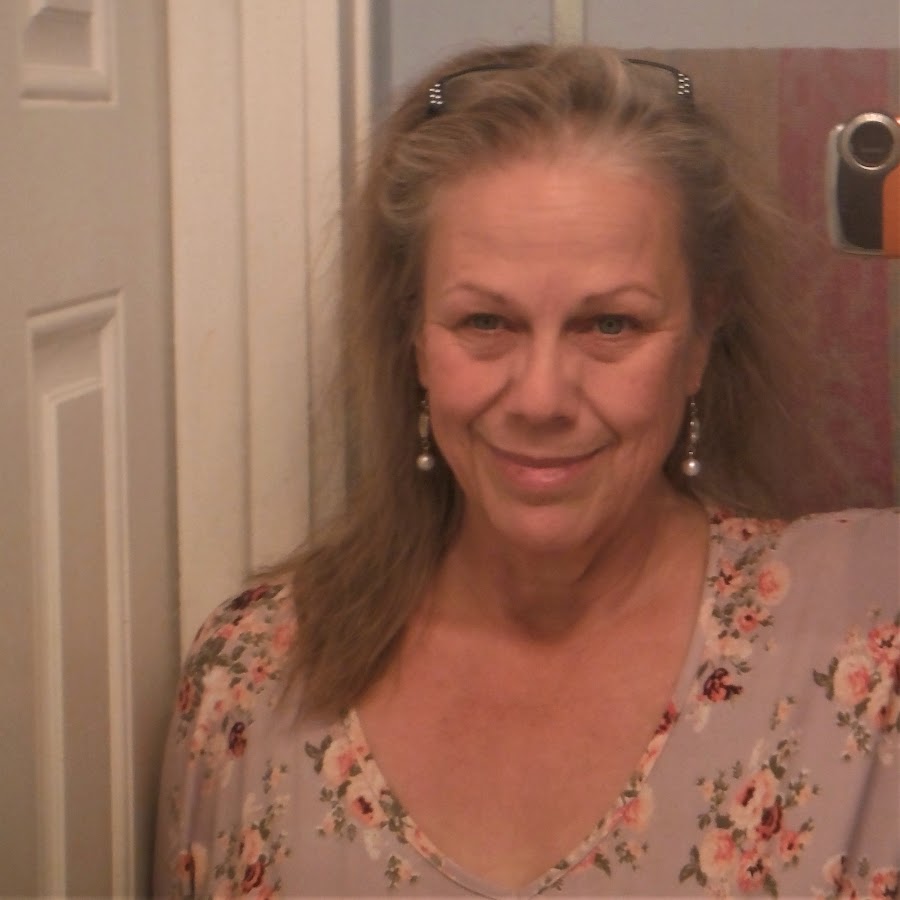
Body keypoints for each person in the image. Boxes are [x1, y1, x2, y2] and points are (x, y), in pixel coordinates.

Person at [154, 43, 898, 898]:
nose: (542, 398)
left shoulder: (866, 634)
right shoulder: (251, 677)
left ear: (699, 342)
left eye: (611, 325)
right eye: (486, 322)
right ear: (413, 339)